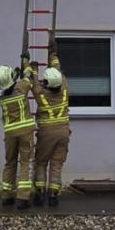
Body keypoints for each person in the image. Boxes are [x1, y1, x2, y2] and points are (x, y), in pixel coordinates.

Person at [0, 62, 37, 210]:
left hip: (10, 133)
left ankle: (6, 195)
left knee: (10, 163)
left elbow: (10, 87)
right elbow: (28, 77)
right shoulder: (20, 88)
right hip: (25, 131)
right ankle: (22, 198)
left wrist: (14, 76)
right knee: (25, 163)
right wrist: (27, 66)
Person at [32, 53, 70, 206]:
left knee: (41, 162)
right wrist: (53, 55)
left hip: (46, 133)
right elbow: (57, 71)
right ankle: (53, 195)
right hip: (63, 133)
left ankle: (39, 192)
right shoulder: (65, 87)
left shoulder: (40, 93)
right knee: (56, 164)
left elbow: (34, 82)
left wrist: (34, 68)